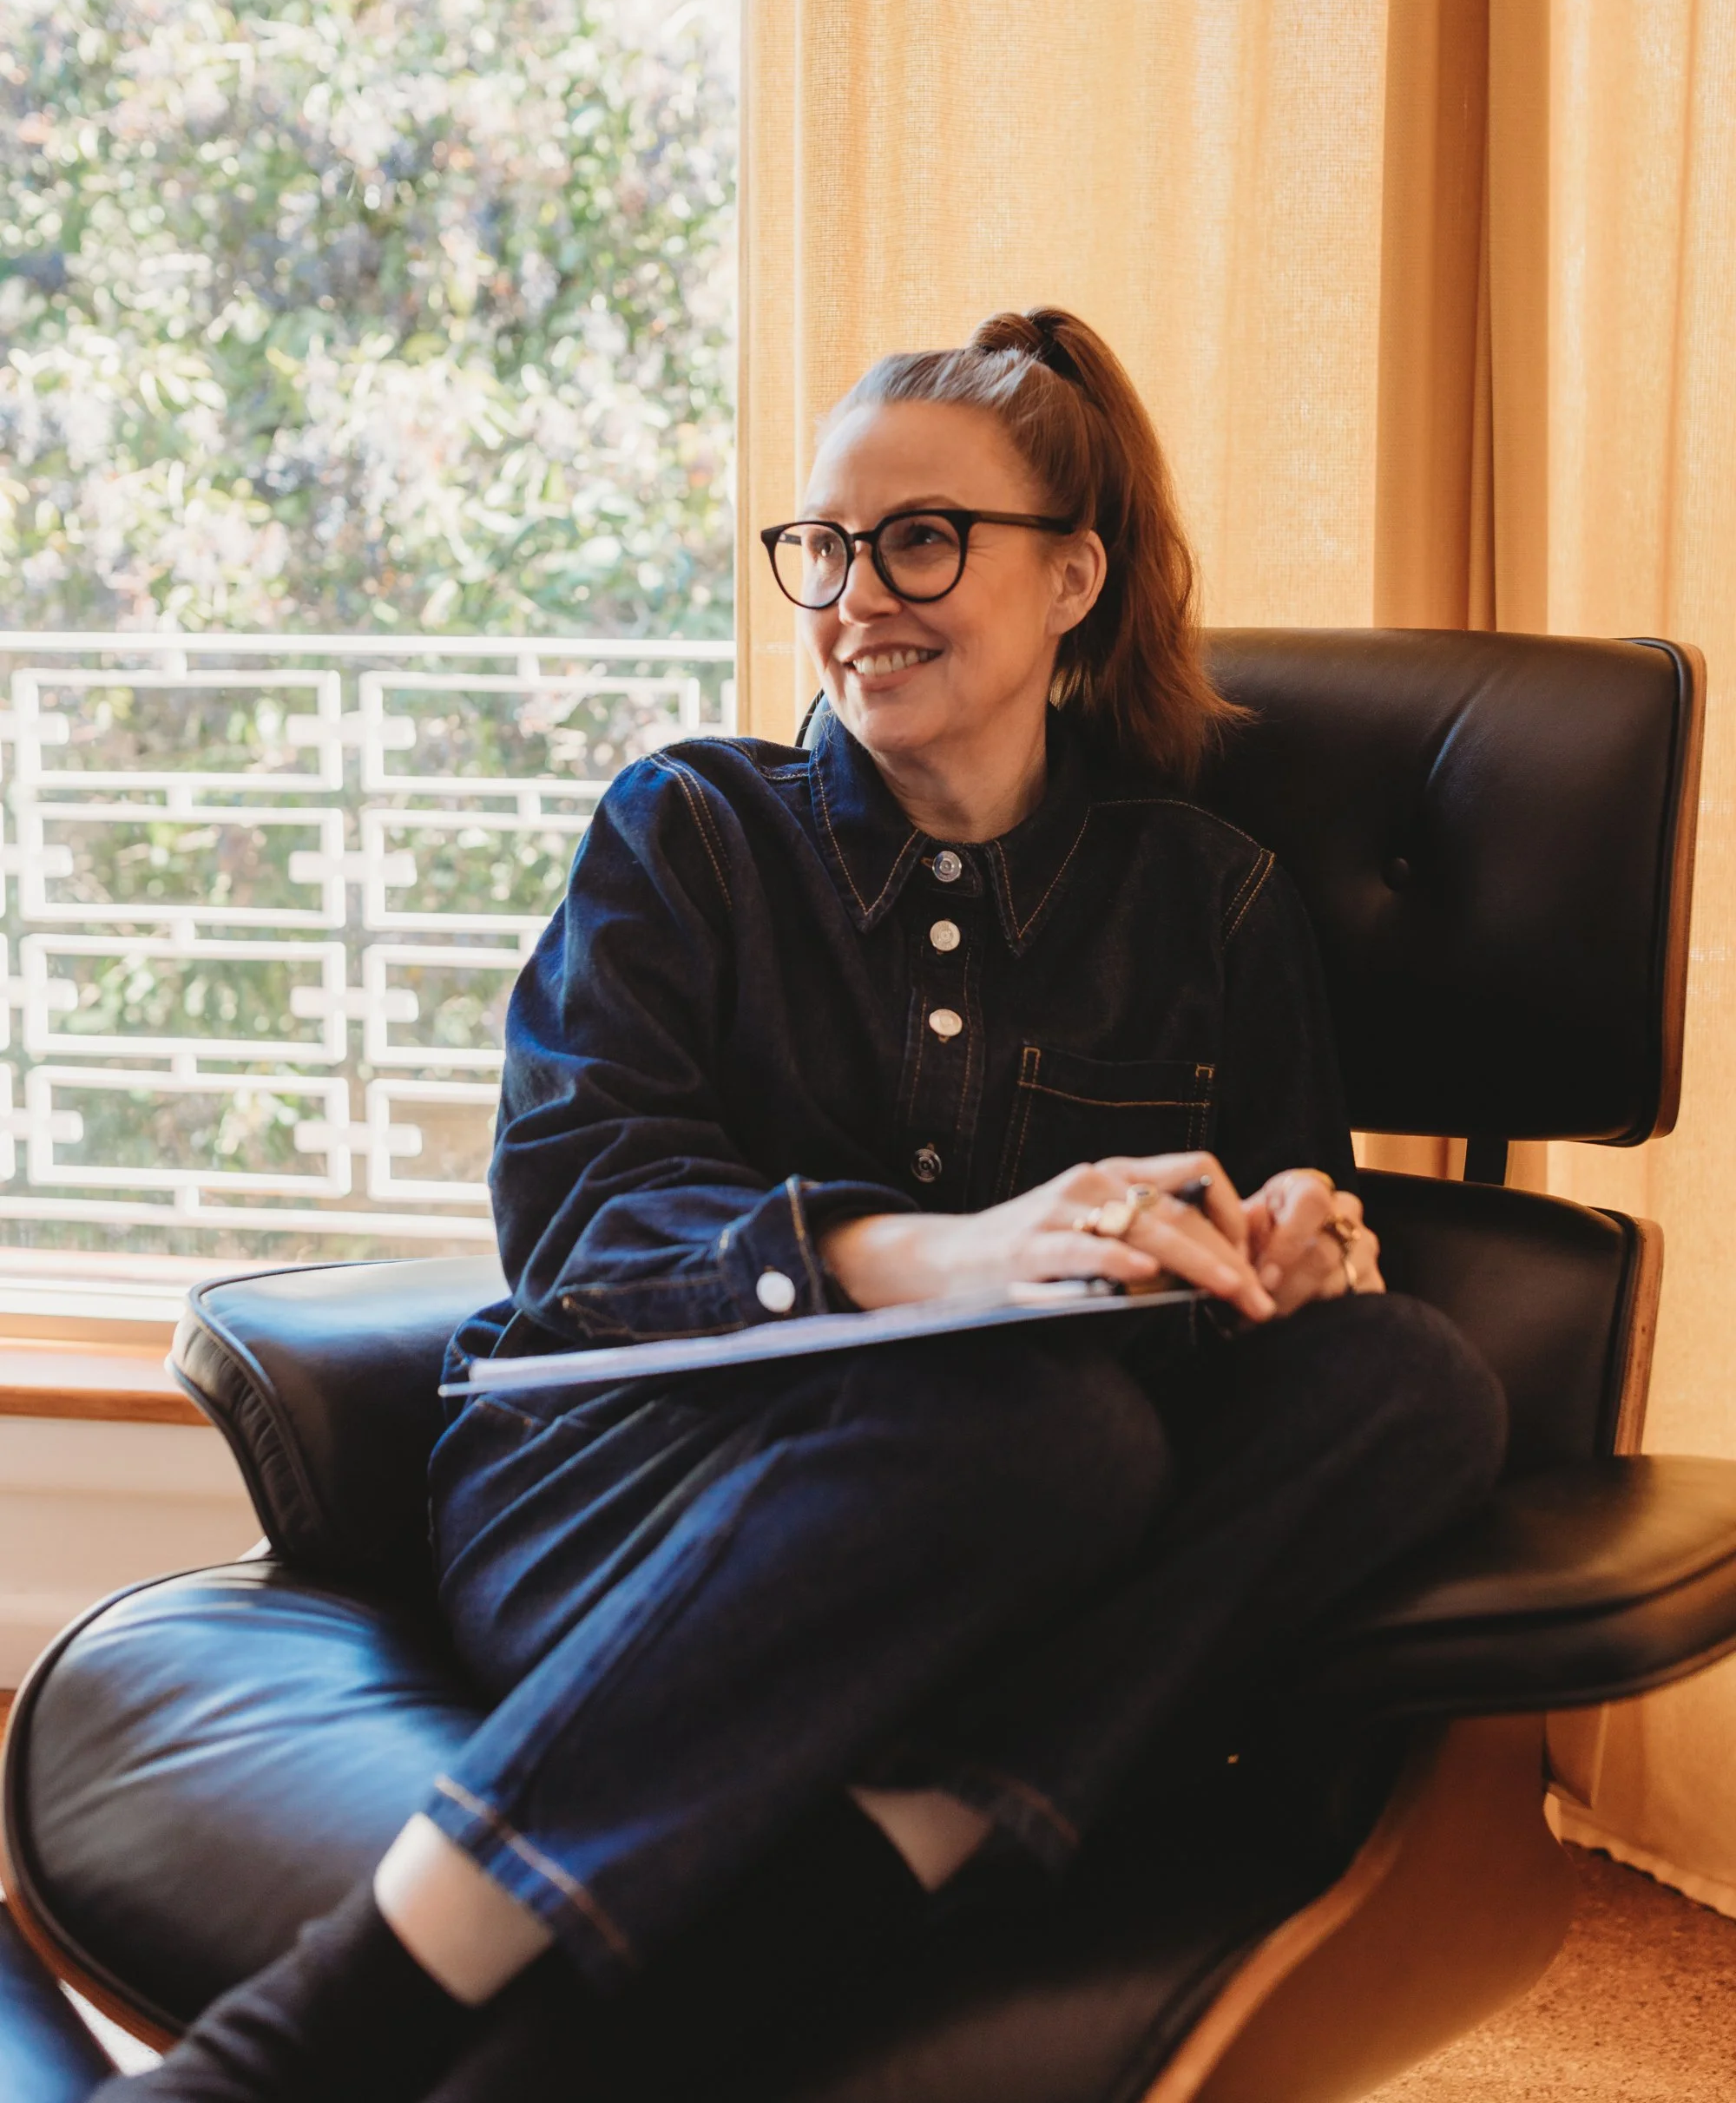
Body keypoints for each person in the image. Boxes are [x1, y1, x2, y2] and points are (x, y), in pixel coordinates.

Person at [104, 308, 1506, 2102]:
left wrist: (1299, 1252)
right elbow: (580, 1206)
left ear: (1074, 576)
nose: (857, 593)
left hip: (1012, 1538)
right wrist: (937, 1259)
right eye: (825, 547)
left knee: (1413, 1384)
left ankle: (869, 1865)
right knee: (1045, 1434)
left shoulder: (1206, 902)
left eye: (921, 539)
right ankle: (320, 2033)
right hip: (621, 1463)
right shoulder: (689, 830)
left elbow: (1269, 1269)